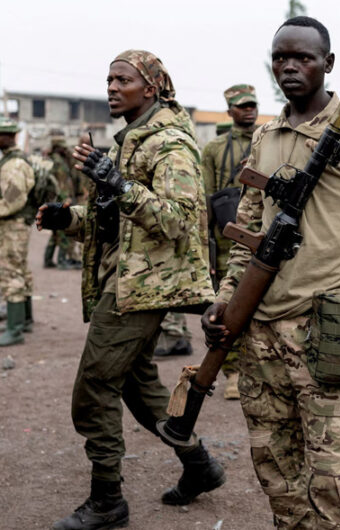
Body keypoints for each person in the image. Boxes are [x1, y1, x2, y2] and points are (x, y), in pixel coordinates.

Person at [202, 17, 340, 528]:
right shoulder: (265, 137)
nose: (290, 66)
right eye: (281, 57)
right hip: (259, 335)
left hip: (326, 331)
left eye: (303, 57)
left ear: (329, 64)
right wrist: (226, 299)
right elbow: (247, 234)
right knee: (276, 472)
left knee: (331, 479)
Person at [37, 50, 224, 530]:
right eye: (109, 80)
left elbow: (177, 221)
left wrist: (116, 181)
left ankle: (107, 501)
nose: (112, 88)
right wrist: (67, 218)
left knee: (94, 386)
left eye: (123, 79)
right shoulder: (131, 141)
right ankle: (199, 465)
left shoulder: (170, 145)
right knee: (140, 389)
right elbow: (120, 221)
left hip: (142, 289)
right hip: (126, 282)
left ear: (153, 87)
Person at [196, 84, 259, 399]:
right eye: (242, 106)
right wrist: (204, 244)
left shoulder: (269, 140)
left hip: (263, 231)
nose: (249, 111)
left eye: (252, 105)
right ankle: (232, 371)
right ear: (230, 111)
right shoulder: (214, 149)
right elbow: (205, 197)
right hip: (227, 237)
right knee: (229, 303)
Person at [0, 118, 35, 347]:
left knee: (11, 272)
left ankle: (14, 330)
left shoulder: (13, 165)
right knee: (20, 270)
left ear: (7, 136)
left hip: (13, 225)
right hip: (16, 224)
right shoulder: (13, 160)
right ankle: (24, 320)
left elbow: (12, 201)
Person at [45, 134, 82, 269]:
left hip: (53, 200)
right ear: (57, 147)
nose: (65, 149)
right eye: (63, 147)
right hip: (60, 200)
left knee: (55, 232)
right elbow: (61, 184)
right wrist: (66, 199)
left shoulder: (53, 159)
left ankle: (48, 260)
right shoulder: (58, 162)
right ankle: (61, 262)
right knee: (63, 231)